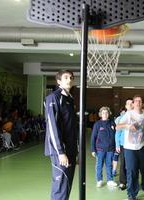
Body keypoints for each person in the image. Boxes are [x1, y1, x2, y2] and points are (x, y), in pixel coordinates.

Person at [44, 70, 78, 200]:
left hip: (70, 150)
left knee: (66, 186)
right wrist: (60, 151)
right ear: (58, 81)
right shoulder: (53, 98)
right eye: (66, 77)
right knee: (60, 187)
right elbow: (52, 127)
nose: (69, 79)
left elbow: (72, 128)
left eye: (71, 77)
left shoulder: (69, 99)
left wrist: (76, 150)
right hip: (60, 151)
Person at [117, 95, 144, 200]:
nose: (138, 103)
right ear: (133, 104)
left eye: (140, 101)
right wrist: (128, 126)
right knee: (132, 171)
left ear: (143, 104)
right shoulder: (128, 114)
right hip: (130, 149)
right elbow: (117, 126)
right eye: (136, 101)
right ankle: (132, 194)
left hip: (142, 147)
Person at [91, 106, 117, 188]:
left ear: (109, 114)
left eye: (106, 113)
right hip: (100, 149)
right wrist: (93, 149)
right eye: (103, 113)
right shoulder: (97, 124)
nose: (105, 114)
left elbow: (116, 135)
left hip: (110, 149)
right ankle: (99, 180)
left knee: (109, 165)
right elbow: (93, 137)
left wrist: (116, 146)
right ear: (100, 114)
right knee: (99, 165)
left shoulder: (112, 123)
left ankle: (110, 180)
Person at [115, 99, 133, 190]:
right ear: (126, 106)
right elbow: (117, 133)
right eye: (128, 104)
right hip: (123, 145)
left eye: (131, 103)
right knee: (123, 163)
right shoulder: (121, 118)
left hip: (134, 145)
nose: (130, 105)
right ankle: (122, 182)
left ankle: (132, 182)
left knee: (132, 164)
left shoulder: (136, 117)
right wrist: (117, 144)